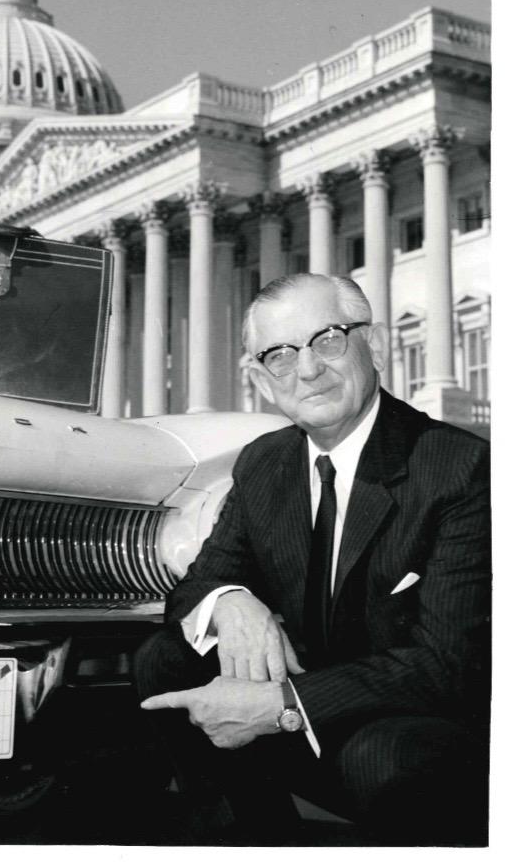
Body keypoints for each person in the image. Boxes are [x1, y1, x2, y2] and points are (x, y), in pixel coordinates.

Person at [135, 273, 490, 846]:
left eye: (327, 340)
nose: (307, 370)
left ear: (371, 344)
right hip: (300, 705)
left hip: (402, 718)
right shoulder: (263, 462)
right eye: (280, 355)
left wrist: (281, 705)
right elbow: (196, 586)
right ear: (259, 380)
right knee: (166, 659)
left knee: (391, 758)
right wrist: (231, 603)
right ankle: (252, 840)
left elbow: (449, 666)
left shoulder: (460, 468)